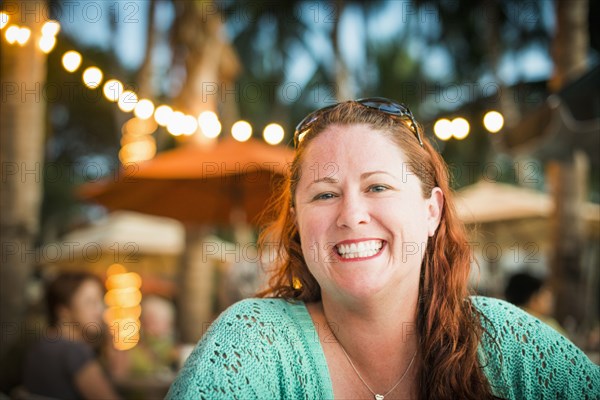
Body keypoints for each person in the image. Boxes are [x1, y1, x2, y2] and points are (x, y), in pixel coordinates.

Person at [167, 98, 600, 399]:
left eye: (377, 186)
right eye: (323, 194)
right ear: (298, 222)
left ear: (431, 211)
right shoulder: (252, 345)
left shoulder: (509, 346)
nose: (351, 215)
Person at [22, 272, 120, 400]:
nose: (100, 310)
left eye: (100, 301)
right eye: (90, 302)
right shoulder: (74, 351)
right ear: (64, 310)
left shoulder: (41, 345)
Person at [504, 271, 568, 336]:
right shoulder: (548, 326)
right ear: (534, 299)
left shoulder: (508, 322)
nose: (552, 303)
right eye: (547, 299)